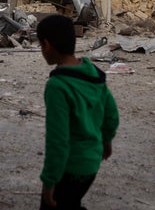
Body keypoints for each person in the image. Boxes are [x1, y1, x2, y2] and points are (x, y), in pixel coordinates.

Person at [37, 14, 119, 209]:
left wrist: (49, 181)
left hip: (70, 169)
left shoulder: (58, 86)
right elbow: (111, 115)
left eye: (40, 45)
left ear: (47, 45)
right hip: (91, 165)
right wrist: (106, 140)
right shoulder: (94, 75)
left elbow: (58, 140)